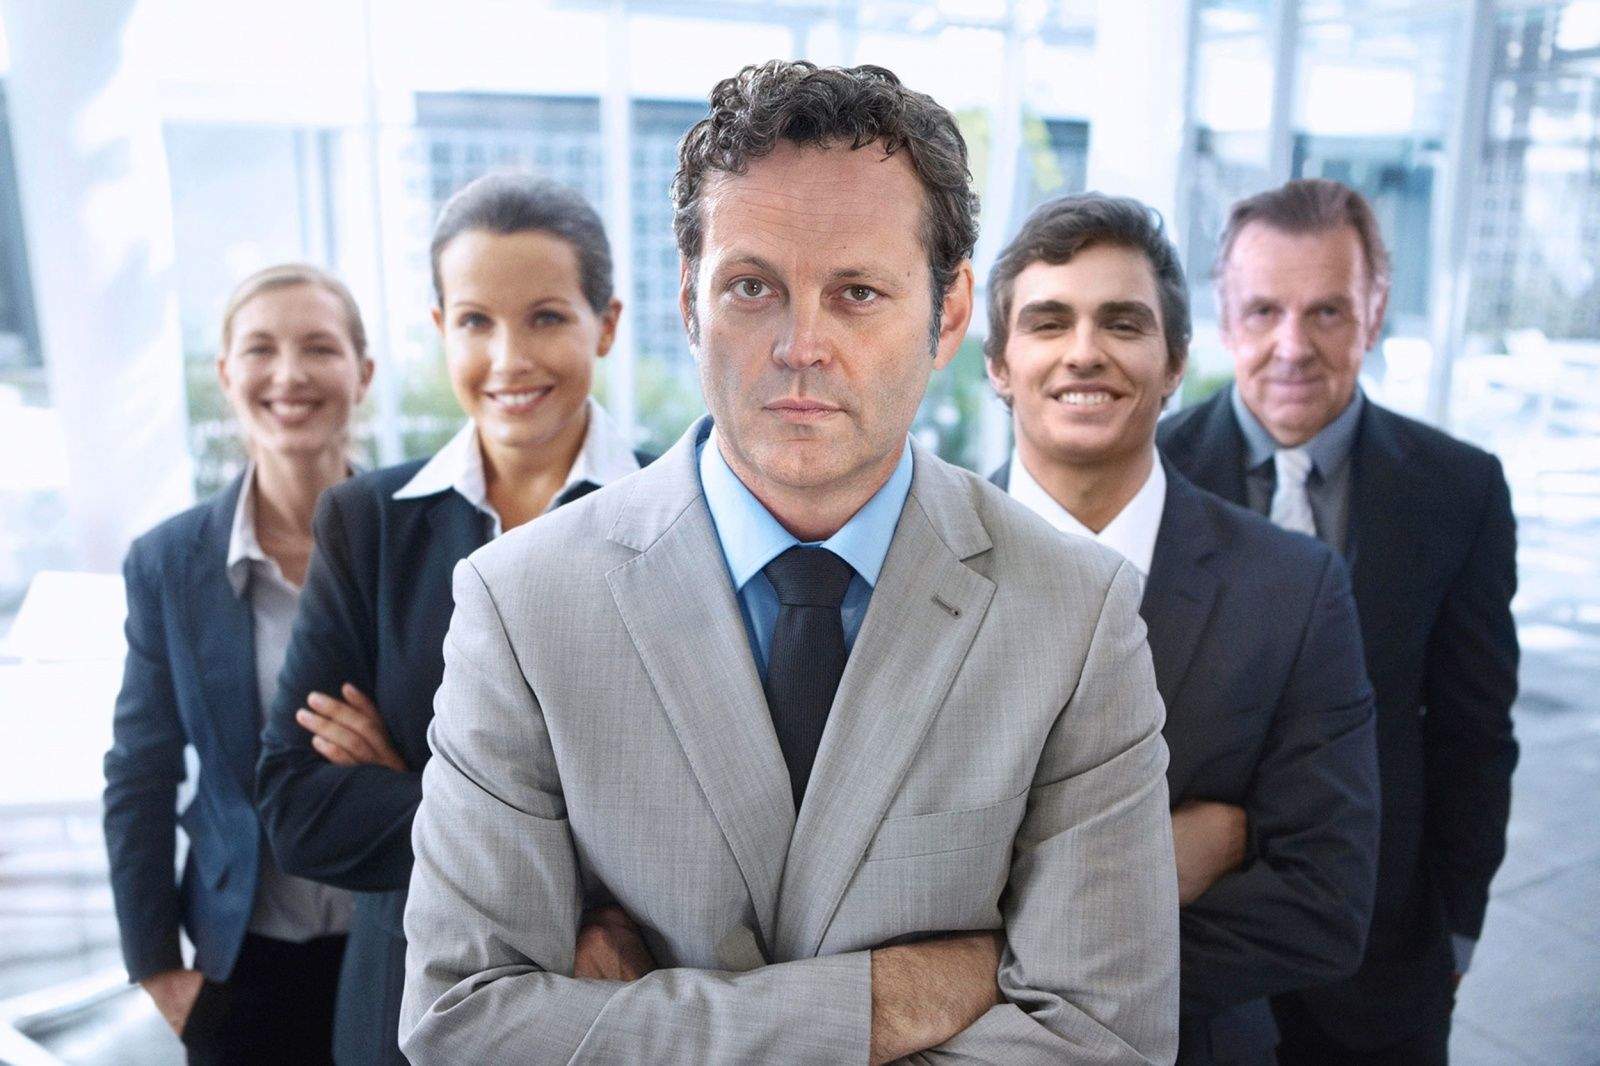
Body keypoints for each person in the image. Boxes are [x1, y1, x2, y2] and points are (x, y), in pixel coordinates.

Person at [400, 60, 1178, 1065]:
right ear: (690, 302)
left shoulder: (1074, 614)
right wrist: (888, 1001)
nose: (799, 345)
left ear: (947, 315)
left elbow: (1103, 1040)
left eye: (857, 292)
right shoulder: (522, 604)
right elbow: (464, 1025)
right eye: (752, 287)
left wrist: (631, 1025)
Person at [254, 174, 647, 1066]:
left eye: (546, 317)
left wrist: (415, 784)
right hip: (403, 1012)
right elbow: (300, 808)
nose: (509, 358)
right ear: (440, 329)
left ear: (606, 324)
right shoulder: (368, 524)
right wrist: (571, 848)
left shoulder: (681, 517)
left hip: (611, 1008)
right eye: (475, 321)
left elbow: (696, 827)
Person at [983, 192, 1381, 1065]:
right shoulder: (906, 563)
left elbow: (1324, 907)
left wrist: (989, 971)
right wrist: (1152, 867)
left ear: (1174, 364)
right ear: (999, 364)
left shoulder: (1294, 589)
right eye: (1049, 322)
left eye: (1122, 323)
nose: (1084, 351)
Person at [1159, 177, 1520, 1065]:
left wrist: (1457, 931)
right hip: (1183, 957)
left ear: (1376, 312)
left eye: (1327, 312)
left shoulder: (1459, 490)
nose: (1293, 347)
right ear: (1225, 316)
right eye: (1264, 311)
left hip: (1383, 963)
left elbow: (1474, 736)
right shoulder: (1147, 474)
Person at [104, 264, 373, 1064]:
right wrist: (158, 968)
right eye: (260, 349)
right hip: (244, 966)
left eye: (318, 347)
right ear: (226, 375)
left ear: (362, 372)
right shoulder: (169, 564)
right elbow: (140, 773)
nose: (289, 374)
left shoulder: (421, 540)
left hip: (405, 947)